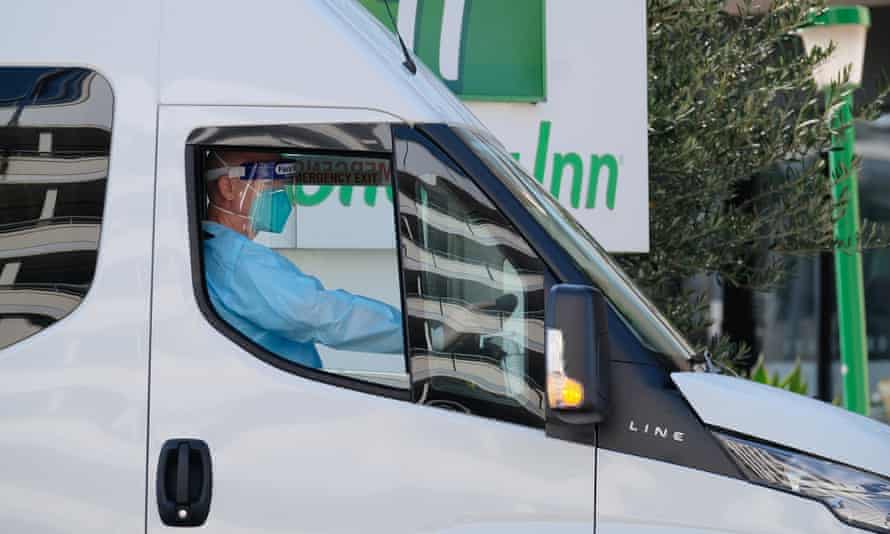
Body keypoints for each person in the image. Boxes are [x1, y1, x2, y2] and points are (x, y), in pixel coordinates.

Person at [202, 150, 404, 369]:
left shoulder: (215, 249)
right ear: (228, 187)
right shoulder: (238, 261)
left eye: (283, 183)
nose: (280, 193)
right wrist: (418, 334)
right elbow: (321, 314)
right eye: (270, 182)